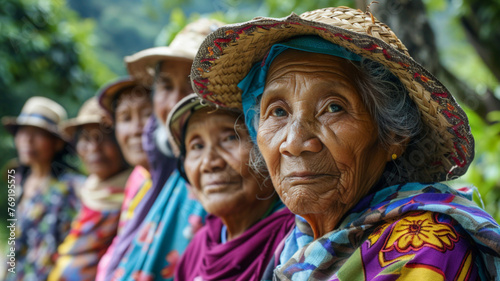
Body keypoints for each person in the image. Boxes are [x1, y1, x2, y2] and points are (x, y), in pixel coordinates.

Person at [190, 6, 500, 280]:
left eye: (333, 108)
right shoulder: (292, 246)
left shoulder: (424, 246)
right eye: (278, 111)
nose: (295, 143)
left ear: (393, 135)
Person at [109, 18, 224, 281]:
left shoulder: (224, 180)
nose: (175, 102)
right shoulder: (169, 172)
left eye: (192, 85)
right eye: (166, 86)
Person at [166, 94, 295, 280]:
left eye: (230, 137)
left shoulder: (296, 240)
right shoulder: (200, 244)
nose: (209, 163)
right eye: (197, 146)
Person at [48, 97, 132, 281]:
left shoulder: (136, 195)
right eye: (86, 139)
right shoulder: (84, 190)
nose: (94, 148)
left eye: (104, 138)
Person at [2, 96, 85, 281]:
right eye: (23, 132)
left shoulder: (72, 188)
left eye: (38, 134)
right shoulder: (17, 179)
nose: (28, 140)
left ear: (57, 143)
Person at [95, 77, 154, 281]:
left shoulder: (183, 182)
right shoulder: (137, 177)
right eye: (126, 118)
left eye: (147, 115)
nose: (136, 130)